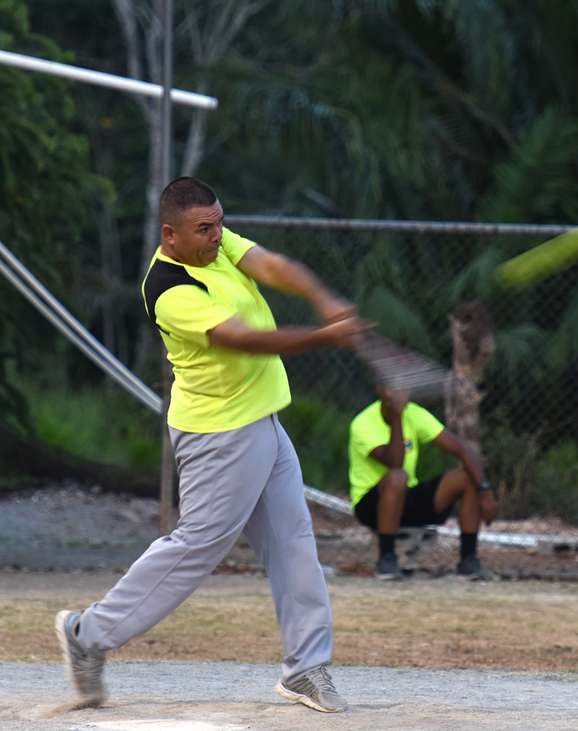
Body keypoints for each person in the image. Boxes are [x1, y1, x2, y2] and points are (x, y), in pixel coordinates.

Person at [54, 177, 369, 713]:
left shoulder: (213, 244)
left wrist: (325, 299)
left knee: (294, 543)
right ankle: (89, 636)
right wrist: (323, 337)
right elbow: (241, 341)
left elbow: (269, 265)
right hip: (219, 436)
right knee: (197, 546)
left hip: (262, 421)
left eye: (220, 222)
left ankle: (305, 668)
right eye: (205, 228)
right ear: (169, 234)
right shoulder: (170, 288)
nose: (218, 236)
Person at [348, 386, 498, 580]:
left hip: (406, 496)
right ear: (381, 391)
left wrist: (484, 490)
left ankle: (468, 561)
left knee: (466, 477)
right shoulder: (363, 422)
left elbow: (462, 450)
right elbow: (395, 462)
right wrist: (397, 418)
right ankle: (386, 559)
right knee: (397, 476)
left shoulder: (415, 413)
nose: (401, 392)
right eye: (393, 386)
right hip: (371, 506)